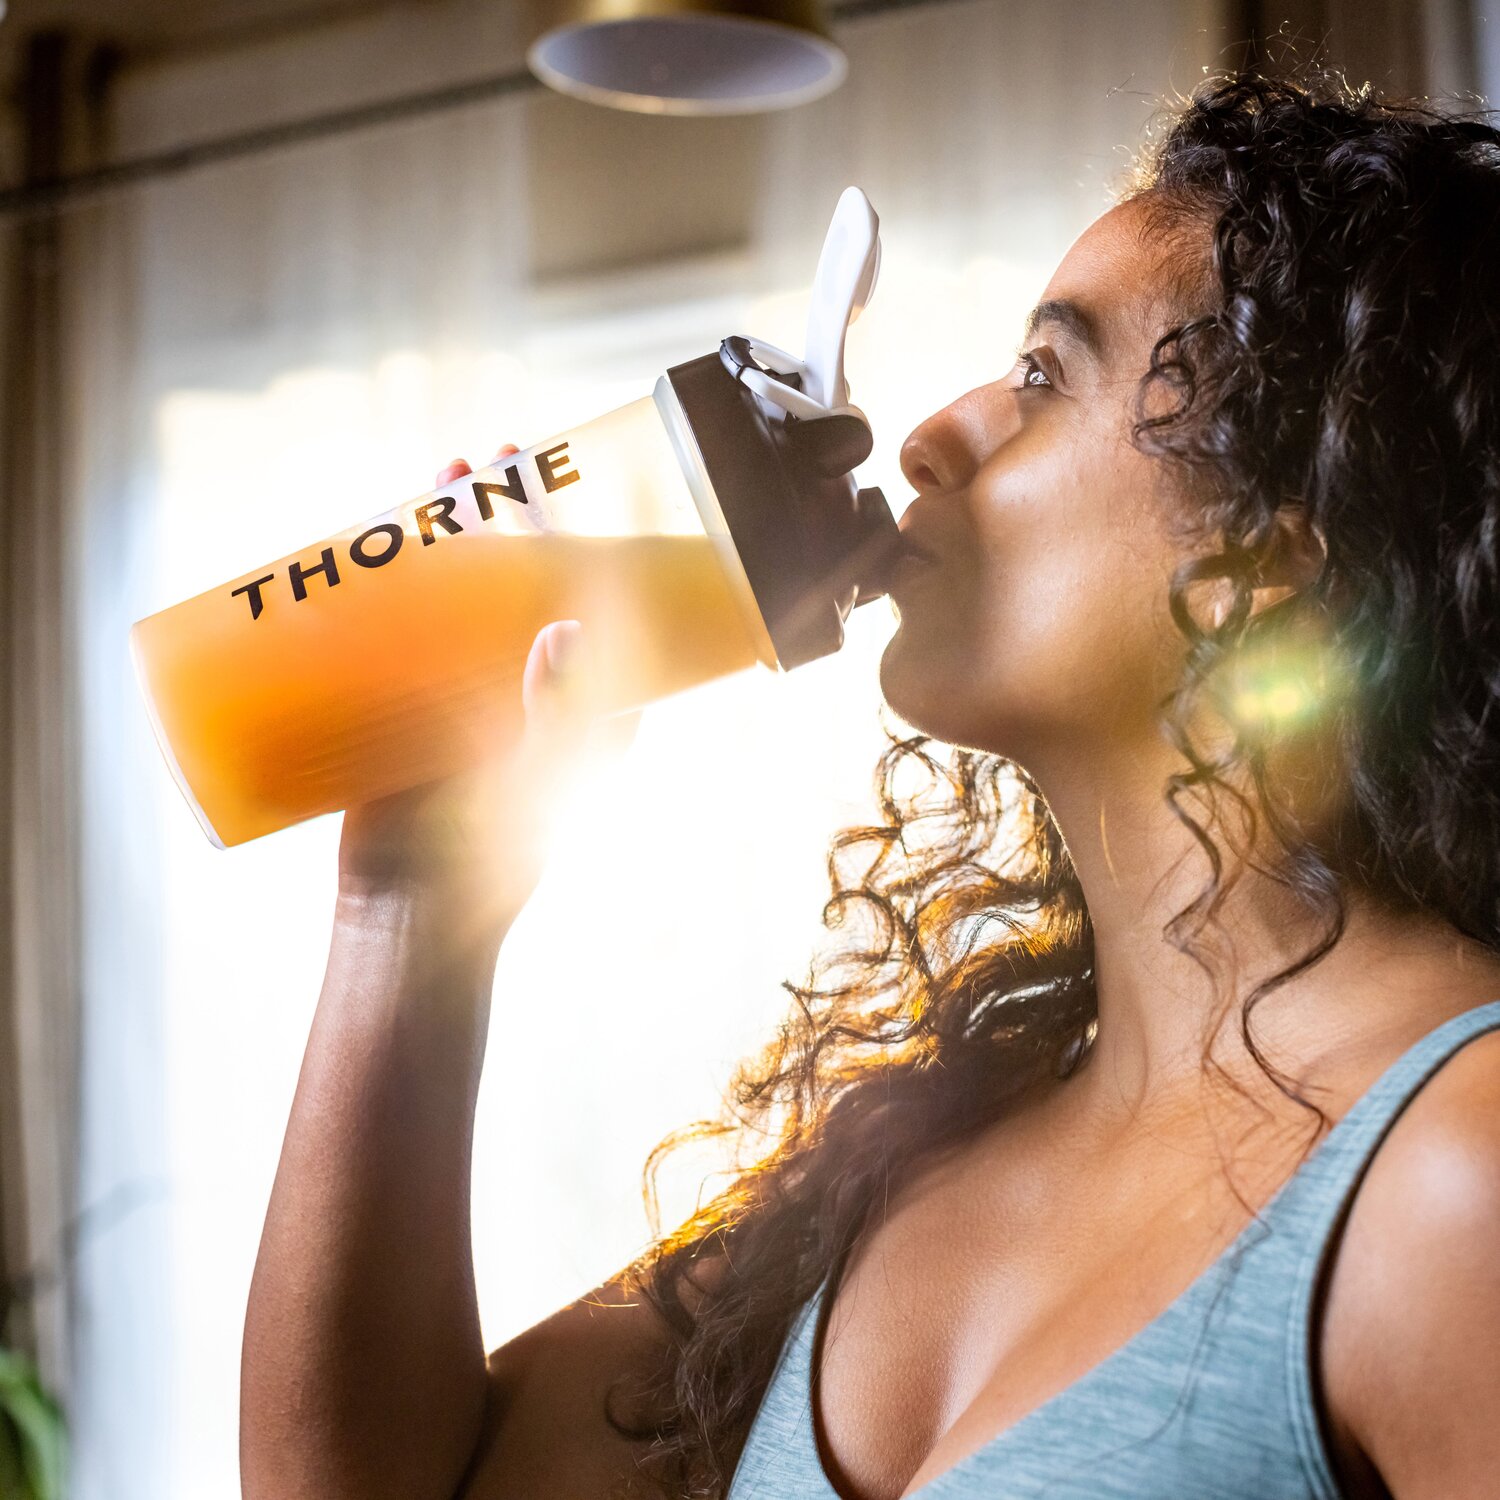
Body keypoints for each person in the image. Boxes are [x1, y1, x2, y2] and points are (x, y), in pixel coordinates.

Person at [239, 71, 1500, 1500]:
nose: (931, 436)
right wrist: (407, 919)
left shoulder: (1460, 1172)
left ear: (1267, 566)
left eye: (1046, 376)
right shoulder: (918, 1165)